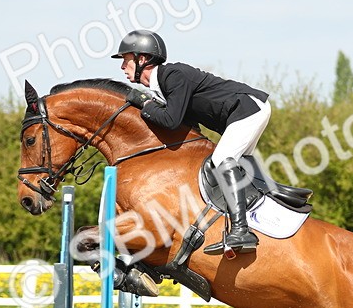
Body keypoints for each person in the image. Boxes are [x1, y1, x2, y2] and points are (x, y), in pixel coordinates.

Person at [112, 29, 270, 255]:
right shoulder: (165, 87)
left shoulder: (172, 76)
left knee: (222, 159)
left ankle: (241, 231)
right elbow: (187, 128)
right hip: (246, 110)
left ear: (142, 59)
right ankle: (267, 206)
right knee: (235, 165)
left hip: (248, 108)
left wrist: (145, 105)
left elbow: (170, 120)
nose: (122, 67)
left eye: (126, 60)